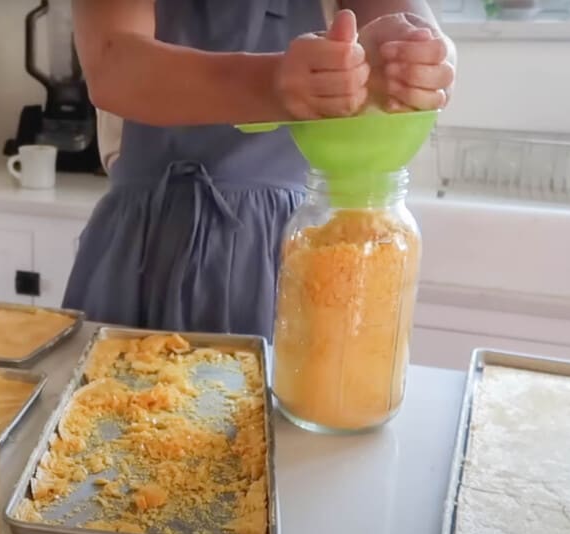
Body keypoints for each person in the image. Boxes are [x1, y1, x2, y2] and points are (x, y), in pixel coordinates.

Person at [63, 1, 456, 338]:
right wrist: (273, 83)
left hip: (297, 247)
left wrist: (419, 61)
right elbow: (113, 63)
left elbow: (428, 39)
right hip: (145, 249)